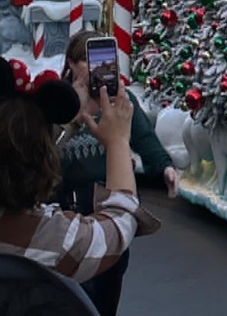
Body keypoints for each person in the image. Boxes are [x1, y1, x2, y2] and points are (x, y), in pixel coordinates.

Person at [0, 54, 158, 281]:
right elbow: (121, 221)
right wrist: (118, 142)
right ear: (46, 163)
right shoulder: (57, 241)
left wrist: (75, 120)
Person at [59, 31, 176, 316]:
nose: (98, 67)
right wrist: (72, 113)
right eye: (88, 60)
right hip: (65, 206)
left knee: (108, 282)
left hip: (108, 200)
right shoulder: (58, 99)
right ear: (72, 65)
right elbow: (43, 147)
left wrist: (165, 166)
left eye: (104, 59)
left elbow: (144, 138)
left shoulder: (121, 100)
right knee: (70, 291)